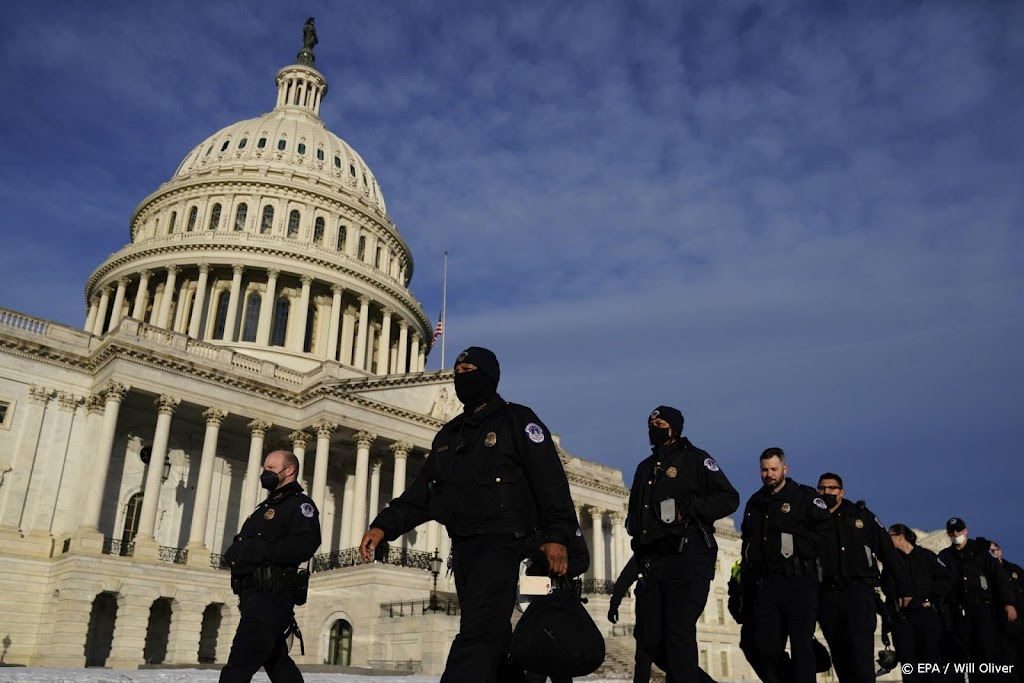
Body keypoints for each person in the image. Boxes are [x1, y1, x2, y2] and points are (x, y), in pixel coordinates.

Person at [359, 346, 578, 683]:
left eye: (470, 370)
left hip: (505, 545)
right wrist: (383, 527)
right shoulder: (449, 436)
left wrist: (557, 536)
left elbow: (551, 483)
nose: (461, 377)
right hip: (464, 551)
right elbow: (422, 495)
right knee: (493, 641)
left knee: (478, 637)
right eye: (457, 372)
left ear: (489, 376)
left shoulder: (517, 421)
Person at [625, 406, 739, 682]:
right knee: (650, 638)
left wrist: (688, 508)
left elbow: (729, 498)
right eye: (651, 423)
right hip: (655, 562)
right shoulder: (645, 468)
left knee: (678, 636)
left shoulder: (696, 460)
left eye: (660, 423)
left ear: (674, 428)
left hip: (688, 558)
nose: (654, 427)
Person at [220, 450, 321, 683]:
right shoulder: (264, 508)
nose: (266, 473)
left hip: (272, 595)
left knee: (239, 663)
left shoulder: (300, 505)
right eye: (265, 468)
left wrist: (261, 551)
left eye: (271, 469)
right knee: (277, 661)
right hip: (253, 593)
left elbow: (307, 544)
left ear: (289, 471)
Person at [739, 447, 831, 683]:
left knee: (801, 646)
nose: (769, 474)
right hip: (767, 584)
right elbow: (747, 542)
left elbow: (826, 533)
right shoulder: (755, 502)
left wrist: (795, 544)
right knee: (767, 647)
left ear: (784, 469)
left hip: (799, 581)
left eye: (773, 469)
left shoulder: (805, 497)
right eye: (764, 470)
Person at [814, 473, 912, 683]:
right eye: (822, 488)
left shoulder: (861, 515)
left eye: (832, 488)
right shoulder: (813, 519)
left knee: (861, 657)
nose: (827, 492)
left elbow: (888, 551)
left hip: (858, 594)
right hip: (828, 596)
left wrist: (904, 588)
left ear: (842, 492)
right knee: (840, 657)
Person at [938, 517, 1018, 682]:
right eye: (952, 531)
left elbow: (999, 578)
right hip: (959, 612)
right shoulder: (945, 556)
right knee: (969, 655)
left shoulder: (980, 552)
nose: (956, 534)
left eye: (959, 530)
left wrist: (1008, 603)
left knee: (987, 651)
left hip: (983, 610)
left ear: (966, 530)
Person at [884, 523, 953, 683]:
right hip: (901, 618)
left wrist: (923, 597)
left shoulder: (927, 557)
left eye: (890, 536)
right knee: (908, 661)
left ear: (900, 537)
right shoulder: (892, 562)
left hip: (925, 614)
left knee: (930, 659)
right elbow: (886, 588)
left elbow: (947, 581)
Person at [608, 555, 653, 683]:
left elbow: (625, 578)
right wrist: (614, 604)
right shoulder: (645, 552)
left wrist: (614, 605)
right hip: (648, 619)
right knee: (643, 662)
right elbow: (625, 578)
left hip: (662, 618)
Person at [990, 540, 1024, 683]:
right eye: (989, 552)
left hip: (1020, 622)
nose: (992, 554)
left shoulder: (1013, 569)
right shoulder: (985, 573)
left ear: (1000, 551)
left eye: (994, 550)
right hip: (999, 624)